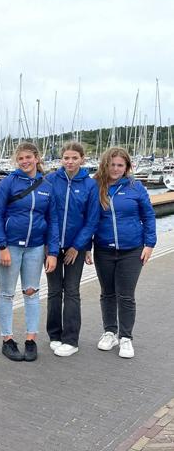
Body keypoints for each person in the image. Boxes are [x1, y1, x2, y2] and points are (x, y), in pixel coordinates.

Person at [0, 142, 58, 362]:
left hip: (35, 247)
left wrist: (52, 252)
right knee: (7, 294)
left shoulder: (47, 186)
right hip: (9, 246)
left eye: (28, 157)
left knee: (31, 292)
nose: (25, 161)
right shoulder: (8, 183)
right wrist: (2, 246)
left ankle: (31, 339)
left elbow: (53, 220)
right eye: (20, 158)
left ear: (36, 158)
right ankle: (7, 340)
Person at [92, 147, 156, 359]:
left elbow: (148, 216)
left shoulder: (135, 187)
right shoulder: (96, 186)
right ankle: (110, 332)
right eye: (112, 164)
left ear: (127, 166)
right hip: (103, 250)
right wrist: (85, 248)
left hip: (132, 250)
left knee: (126, 295)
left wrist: (149, 244)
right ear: (105, 164)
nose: (116, 169)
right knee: (107, 293)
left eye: (120, 165)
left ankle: (126, 337)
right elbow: (89, 220)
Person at [45, 142, 99, 357]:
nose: (69, 162)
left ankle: (71, 339)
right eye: (66, 158)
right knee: (54, 291)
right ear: (61, 159)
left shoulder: (90, 185)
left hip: (76, 246)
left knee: (72, 290)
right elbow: (48, 214)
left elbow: (92, 219)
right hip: (52, 245)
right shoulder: (51, 180)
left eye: (74, 158)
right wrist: (51, 247)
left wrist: (78, 246)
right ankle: (54, 335)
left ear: (82, 159)